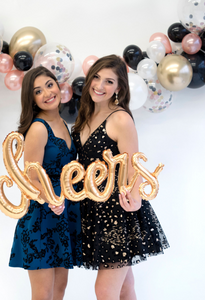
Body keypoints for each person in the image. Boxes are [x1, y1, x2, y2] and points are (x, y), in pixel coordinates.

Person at [72, 55, 169, 300]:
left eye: (109, 81)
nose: (99, 86)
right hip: (92, 209)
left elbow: (132, 163)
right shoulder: (83, 116)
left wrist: (135, 197)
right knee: (125, 287)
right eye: (96, 77)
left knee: (105, 290)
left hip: (117, 210)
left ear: (119, 88)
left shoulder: (120, 119)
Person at [9, 66, 82, 300]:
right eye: (38, 91)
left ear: (58, 86)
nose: (47, 93)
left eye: (49, 85)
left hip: (63, 213)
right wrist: (51, 199)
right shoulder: (39, 128)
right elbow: (31, 178)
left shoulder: (63, 122)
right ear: (32, 99)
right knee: (43, 294)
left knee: (59, 290)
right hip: (41, 217)